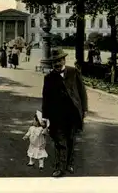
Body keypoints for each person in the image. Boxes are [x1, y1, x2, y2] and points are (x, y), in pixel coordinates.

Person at [41, 48, 88, 178]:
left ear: (64, 60)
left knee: (71, 140)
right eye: (54, 62)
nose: (57, 64)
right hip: (56, 115)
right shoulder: (49, 78)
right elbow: (46, 98)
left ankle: (69, 164)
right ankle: (59, 167)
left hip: (72, 113)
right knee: (59, 141)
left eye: (59, 61)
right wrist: (45, 117)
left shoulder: (74, 72)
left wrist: (84, 109)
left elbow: (82, 92)